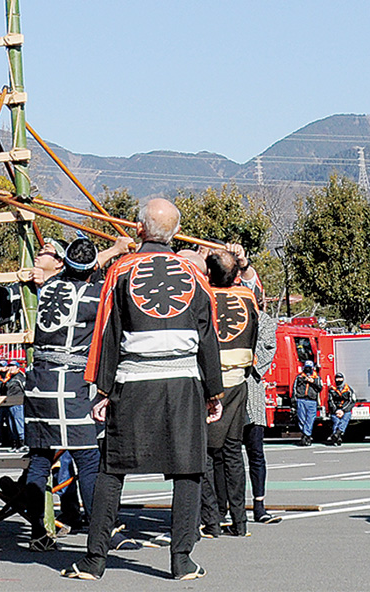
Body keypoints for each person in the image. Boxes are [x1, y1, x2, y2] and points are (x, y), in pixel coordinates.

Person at [63, 198, 224, 583]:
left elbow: (107, 332)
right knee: (189, 469)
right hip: (184, 382)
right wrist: (213, 391)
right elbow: (208, 334)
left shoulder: (120, 270)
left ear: (139, 229)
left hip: (132, 381)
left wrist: (101, 390)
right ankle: (182, 559)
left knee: (112, 468)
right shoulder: (194, 273)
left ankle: (94, 560)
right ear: (175, 233)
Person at [20, 236, 132, 552]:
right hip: (70, 383)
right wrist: (121, 252)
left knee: (40, 459)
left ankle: (38, 532)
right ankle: (103, 533)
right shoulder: (97, 295)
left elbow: (84, 266)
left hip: (38, 380)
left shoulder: (48, 287)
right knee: (88, 458)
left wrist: (114, 250)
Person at [199, 249, 259, 540]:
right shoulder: (247, 296)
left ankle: (211, 520)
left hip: (208, 381)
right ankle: (239, 520)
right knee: (233, 451)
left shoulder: (202, 294)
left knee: (206, 454)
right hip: (238, 379)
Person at [243, 296, 282, 524]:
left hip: (252, 388)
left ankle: (259, 505)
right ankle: (225, 508)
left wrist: (248, 360)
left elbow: (267, 348)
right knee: (224, 455)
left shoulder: (263, 320)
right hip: (224, 387)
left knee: (256, 453)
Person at [293, 359, 322, 446]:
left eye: (309, 367)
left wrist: (313, 382)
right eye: (306, 367)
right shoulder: (299, 377)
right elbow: (294, 388)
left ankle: (306, 435)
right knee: (301, 419)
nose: (308, 369)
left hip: (312, 400)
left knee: (310, 419)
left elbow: (320, 388)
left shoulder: (317, 378)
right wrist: (294, 399)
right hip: (301, 399)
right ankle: (305, 435)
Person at [327, 372, 355, 445]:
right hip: (335, 410)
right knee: (336, 421)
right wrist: (336, 410)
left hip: (345, 410)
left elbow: (352, 401)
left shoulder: (348, 389)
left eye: (340, 378)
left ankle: (337, 433)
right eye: (337, 378)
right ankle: (338, 436)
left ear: (343, 379)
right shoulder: (332, 390)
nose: (338, 380)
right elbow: (330, 401)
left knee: (345, 419)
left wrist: (343, 410)